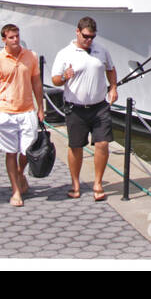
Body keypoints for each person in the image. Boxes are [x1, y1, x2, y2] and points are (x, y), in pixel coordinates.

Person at [50, 16, 118, 201]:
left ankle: (98, 183)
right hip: (76, 108)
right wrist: (65, 76)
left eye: (92, 37)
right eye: (86, 36)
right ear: (77, 32)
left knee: (103, 144)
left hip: (99, 107)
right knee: (75, 146)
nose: (89, 40)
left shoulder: (101, 50)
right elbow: (55, 79)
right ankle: (75, 184)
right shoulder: (65, 53)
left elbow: (110, 69)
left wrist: (113, 87)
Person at [0, 23, 43, 207]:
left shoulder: (30, 56)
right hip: (6, 112)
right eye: (11, 37)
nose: (15, 40)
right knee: (11, 152)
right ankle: (16, 191)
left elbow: (36, 83)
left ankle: (20, 172)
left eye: (17, 36)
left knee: (27, 150)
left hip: (27, 110)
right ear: (4, 39)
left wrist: (40, 107)